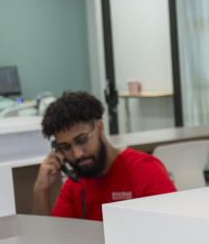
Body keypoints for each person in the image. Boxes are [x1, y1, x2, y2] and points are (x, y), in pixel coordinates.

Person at [32, 91, 175, 218]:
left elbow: (174, 226)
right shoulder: (75, 184)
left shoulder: (144, 170)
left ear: (99, 128)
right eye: (65, 147)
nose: (77, 154)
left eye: (82, 140)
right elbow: (49, 240)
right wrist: (40, 189)